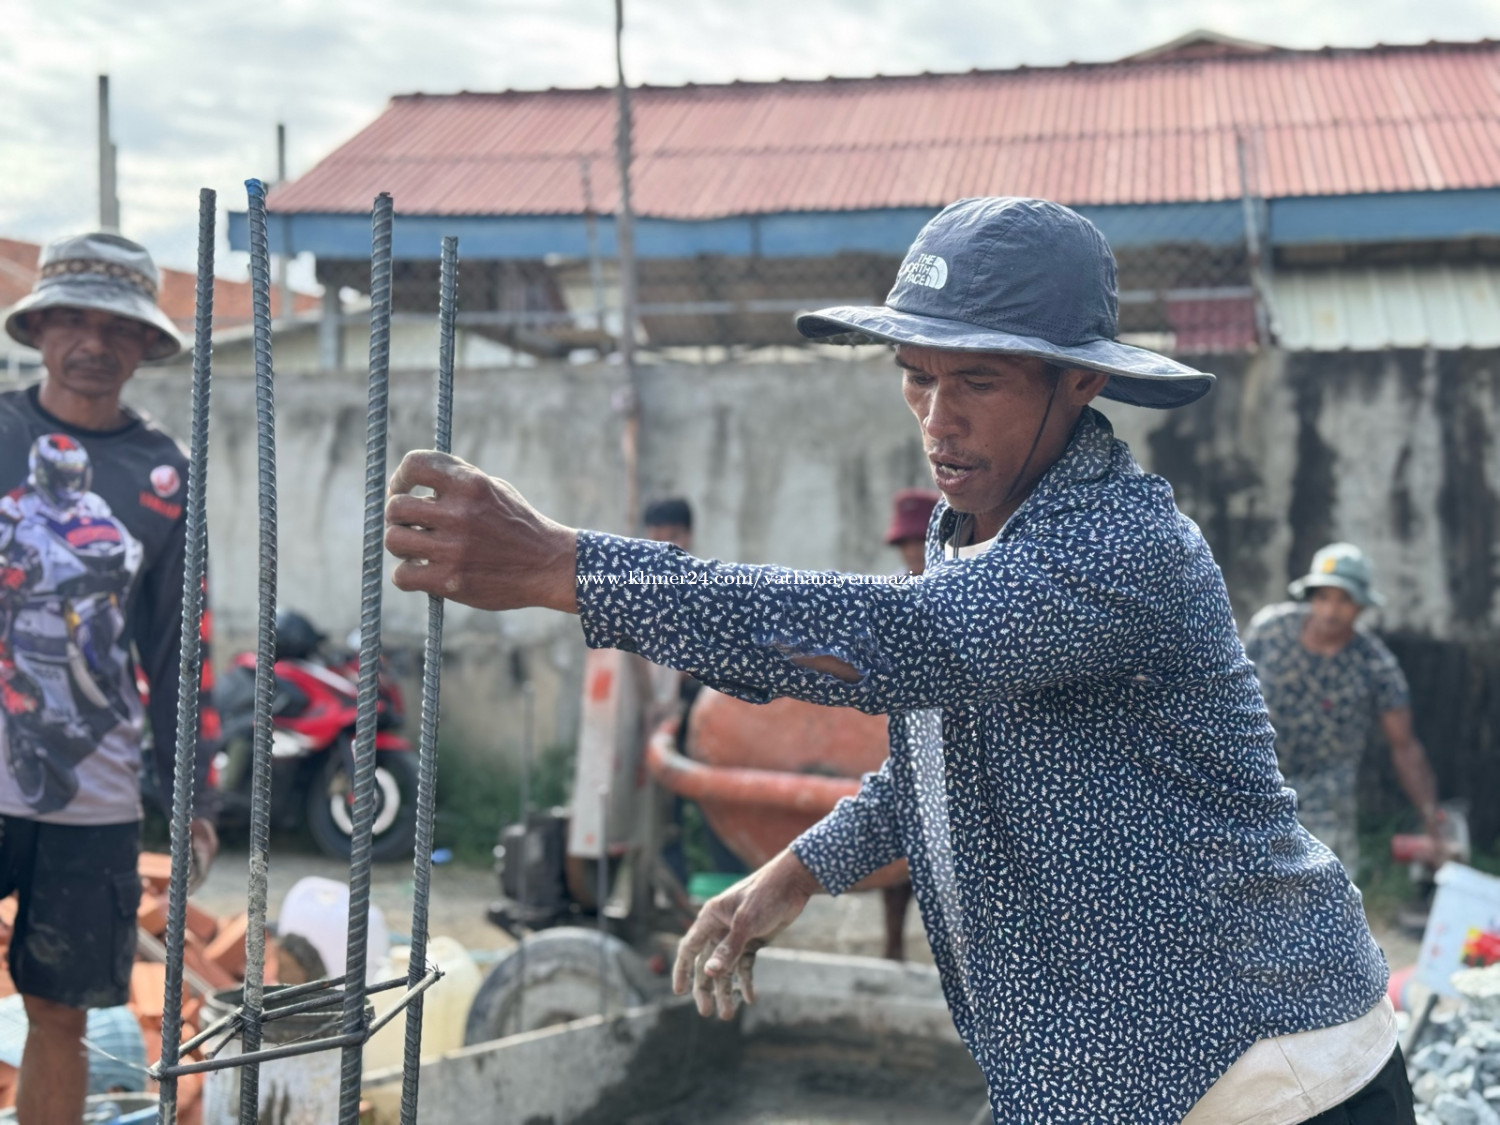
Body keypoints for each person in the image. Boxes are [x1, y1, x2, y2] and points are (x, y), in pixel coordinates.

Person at [385, 198, 1414, 1124]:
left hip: (1263, 1068)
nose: (937, 419)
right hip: (1104, 1077)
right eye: (916, 377)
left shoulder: (1119, 545)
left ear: (1083, 381)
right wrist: (795, 871)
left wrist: (567, 568)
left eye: (978, 381)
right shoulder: (976, 535)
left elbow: (902, 645)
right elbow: (941, 759)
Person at [0, 232, 218, 1125]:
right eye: (74, 321)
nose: (94, 343)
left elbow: (179, 647)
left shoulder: (162, 473)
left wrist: (193, 796)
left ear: (144, 343)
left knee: (61, 1011)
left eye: (118, 326)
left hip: (93, 794)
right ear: (40, 327)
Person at [1244, 543, 1444, 878]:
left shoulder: (1375, 664)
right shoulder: (1271, 630)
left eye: (1344, 600)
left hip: (1327, 797)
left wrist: (1431, 821)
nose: (1330, 611)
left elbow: (1404, 746)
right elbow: (1228, 693)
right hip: (1259, 780)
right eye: (1323, 597)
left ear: (1361, 605)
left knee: (1322, 893)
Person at [878, 487, 939, 962]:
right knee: (900, 846)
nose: (913, 552)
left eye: (919, 542)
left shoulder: (958, 591)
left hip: (950, 735)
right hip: (906, 734)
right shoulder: (891, 595)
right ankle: (894, 946)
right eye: (906, 544)